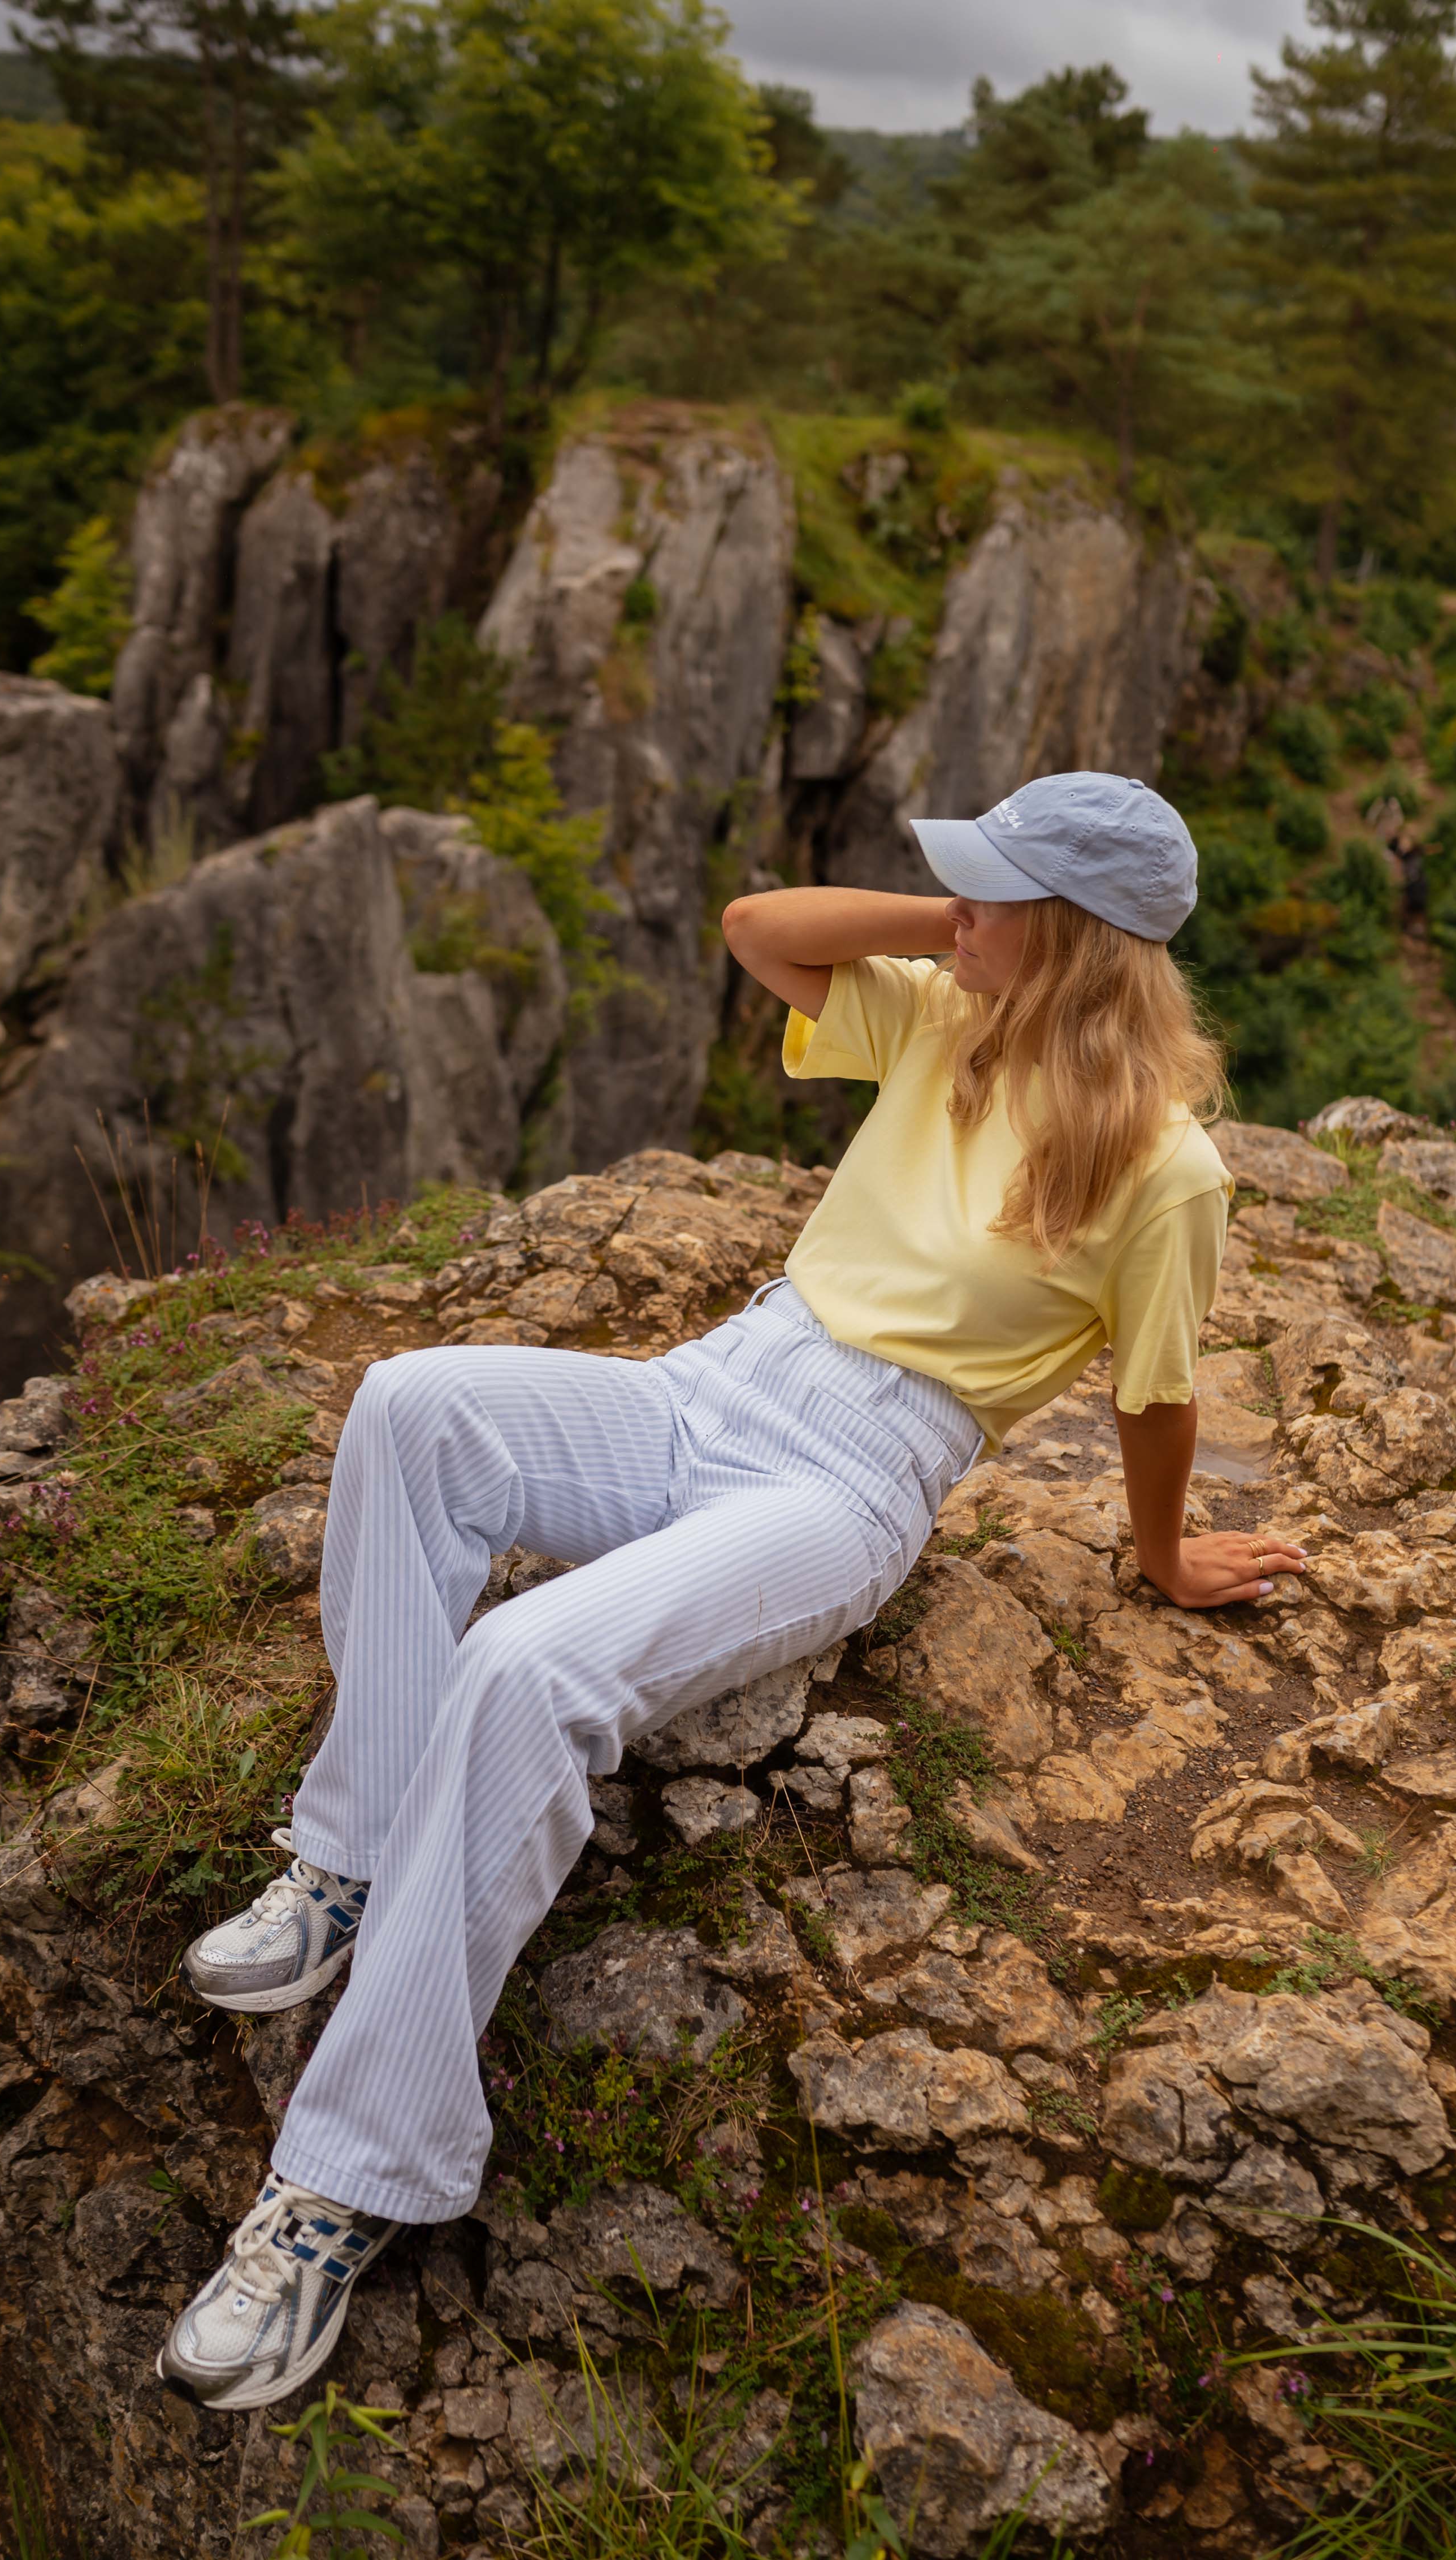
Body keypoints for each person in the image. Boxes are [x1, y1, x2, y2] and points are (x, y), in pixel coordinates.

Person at [155, 770, 1307, 2412]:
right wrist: (980, 926)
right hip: (720, 1376)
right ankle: (352, 1862)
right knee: (413, 1405)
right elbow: (758, 930)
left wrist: (1167, 1550)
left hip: (851, 1478)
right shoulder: (938, 1018)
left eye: (993, 893)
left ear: (1070, 936)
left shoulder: (1169, 1171)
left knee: (527, 1665)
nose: (952, 909)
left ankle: (348, 2180)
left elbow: (1156, 1391)